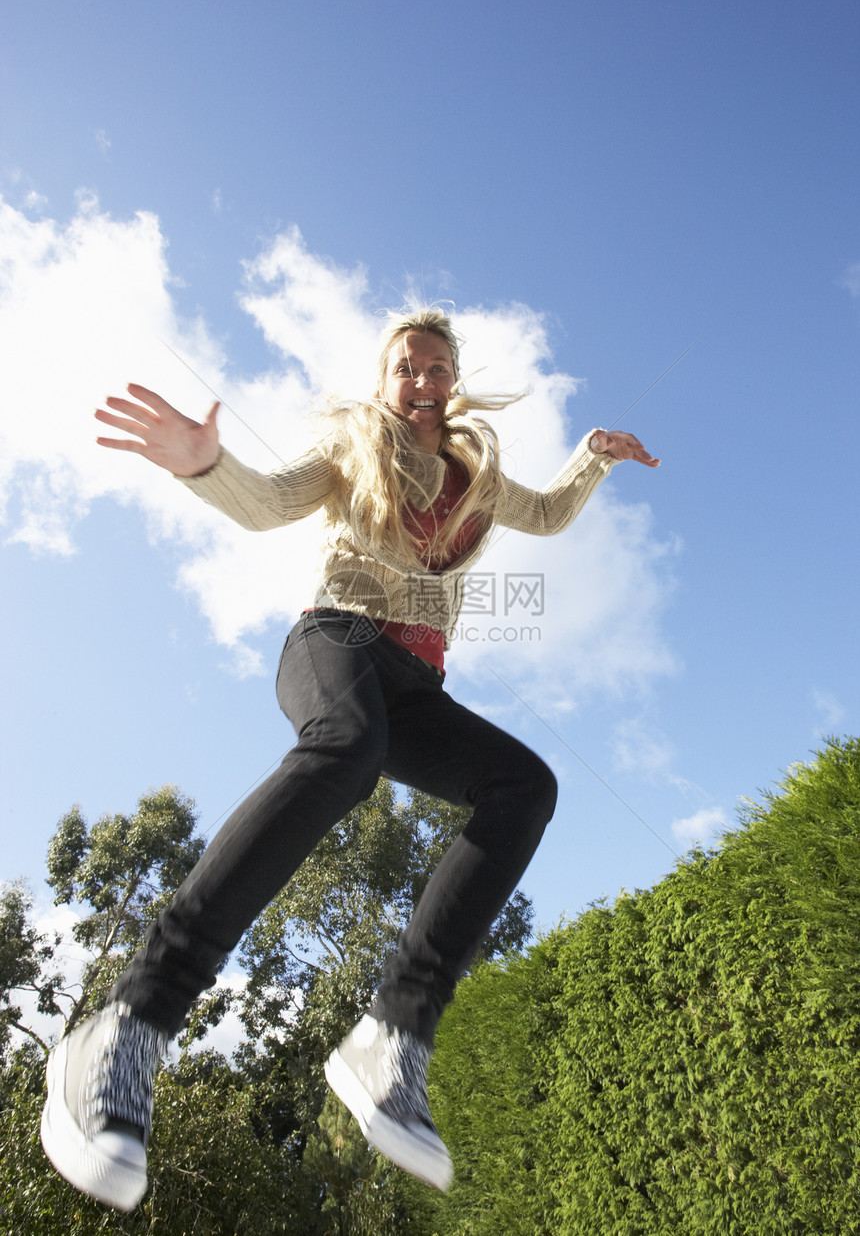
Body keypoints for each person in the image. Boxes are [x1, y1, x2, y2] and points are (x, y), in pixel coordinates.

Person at [40, 308, 659, 1210]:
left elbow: (552, 514)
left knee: (525, 787)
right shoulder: (351, 453)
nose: (422, 380)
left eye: (437, 367)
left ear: (453, 383)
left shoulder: (477, 477)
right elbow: (268, 502)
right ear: (386, 382)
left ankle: (393, 1035)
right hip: (333, 642)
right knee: (345, 751)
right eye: (406, 367)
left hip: (416, 684)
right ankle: (132, 1023)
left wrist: (593, 459)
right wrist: (205, 465)